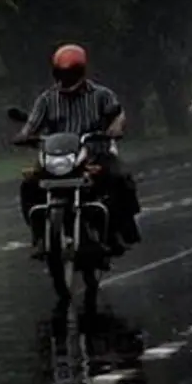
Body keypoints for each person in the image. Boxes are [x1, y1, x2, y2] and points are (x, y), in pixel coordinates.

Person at [16, 44, 143, 258]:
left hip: (95, 154)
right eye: (61, 74)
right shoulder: (47, 99)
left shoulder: (101, 95)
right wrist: (24, 135)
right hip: (57, 158)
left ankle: (117, 231)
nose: (66, 78)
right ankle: (39, 235)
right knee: (28, 186)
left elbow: (118, 114)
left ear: (81, 72)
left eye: (71, 74)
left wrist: (115, 128)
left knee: (120, 179)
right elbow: (31, 125)